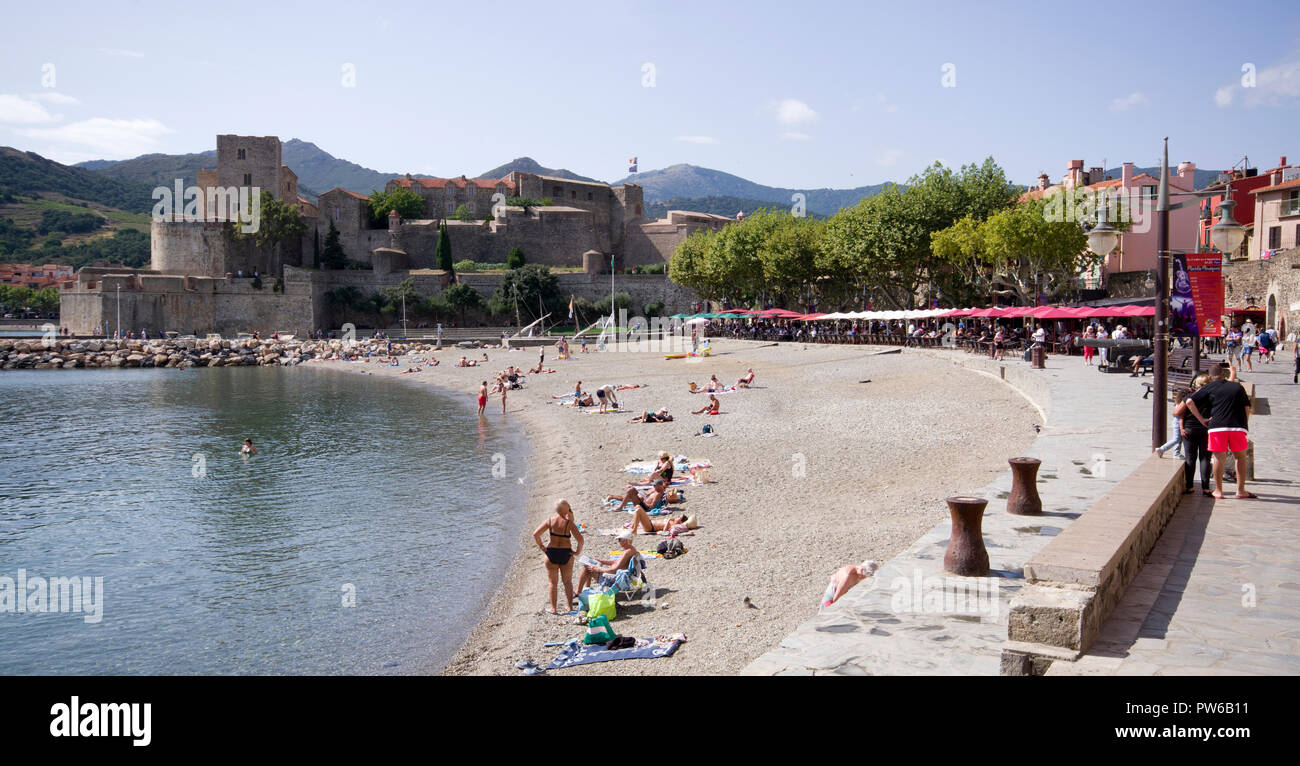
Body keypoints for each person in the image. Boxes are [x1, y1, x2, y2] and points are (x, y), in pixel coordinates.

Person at [1184, 363, 1255, 500]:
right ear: (1224, 374)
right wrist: (1244, 424)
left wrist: (1202, 420)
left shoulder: (1208, 387)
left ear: (1210, 377)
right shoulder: (1237, 386)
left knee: (1218, 458)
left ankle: (1218, 491)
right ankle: (1240, 491)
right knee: (1240, 457)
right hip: (1237, 427)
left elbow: (1189, 401)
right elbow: (1247, 406)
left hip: (1217, 427)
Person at [533, 499, 583, 615]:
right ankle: (570, 607)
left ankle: (553, 609)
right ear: (567, 510)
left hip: (551, 553)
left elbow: (536, 534)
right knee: (567, 582)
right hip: (566, 553)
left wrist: (542, 546)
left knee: (552, 583)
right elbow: (580, 540)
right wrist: (576, 552)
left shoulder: (550, 521)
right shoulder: (569, 524)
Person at [1174, 374, 1212, 496]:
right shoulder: (1212, 398)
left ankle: (1190, 486)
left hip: (1189, 429)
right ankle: (1206, 488)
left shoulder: (1190, 397)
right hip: (1206, 429)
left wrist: (1181, 426)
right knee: (1205, 458)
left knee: (1190, 458)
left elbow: (1176, 413)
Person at [576, 531, 642, 593]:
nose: (619, 542)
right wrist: (602, 562)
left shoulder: (626, 553)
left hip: (615, 579)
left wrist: (599, 569)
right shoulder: (632, 550)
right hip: (624, 576)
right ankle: (586, 590)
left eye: (619, 540)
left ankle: (579, 592)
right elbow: (617, 562)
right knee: (589, 566)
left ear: (625, 540)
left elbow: (614, 570)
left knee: (587, 568)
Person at [1155, 391, 1186, 460]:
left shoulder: (1178, 404)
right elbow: (1179, 415)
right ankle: (1162, 449)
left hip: (1176, 423)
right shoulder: (1181, 405)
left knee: (1179, 439)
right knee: (1176, 439)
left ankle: (1176, 453)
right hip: (1177, 423)